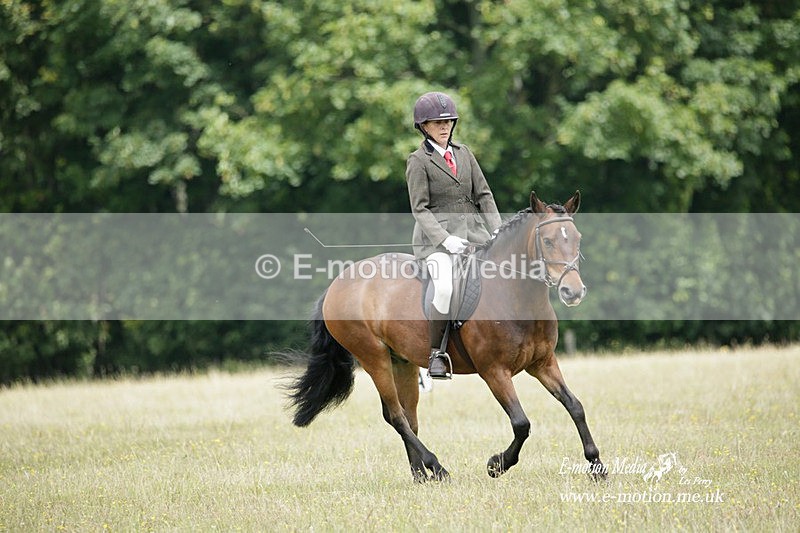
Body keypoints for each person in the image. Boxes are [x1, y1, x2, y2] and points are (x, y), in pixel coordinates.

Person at [405, 91, 502, 379]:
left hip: (474, 235)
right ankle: (437, 353)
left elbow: (484, 195)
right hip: (435, 244)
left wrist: (497, 229)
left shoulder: (465, 153)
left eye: (448, 121)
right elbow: (419, 209)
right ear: (424, 127)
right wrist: (445, 239)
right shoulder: (418, 161)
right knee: (445, 286)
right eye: (437, 123)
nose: (444, 127)